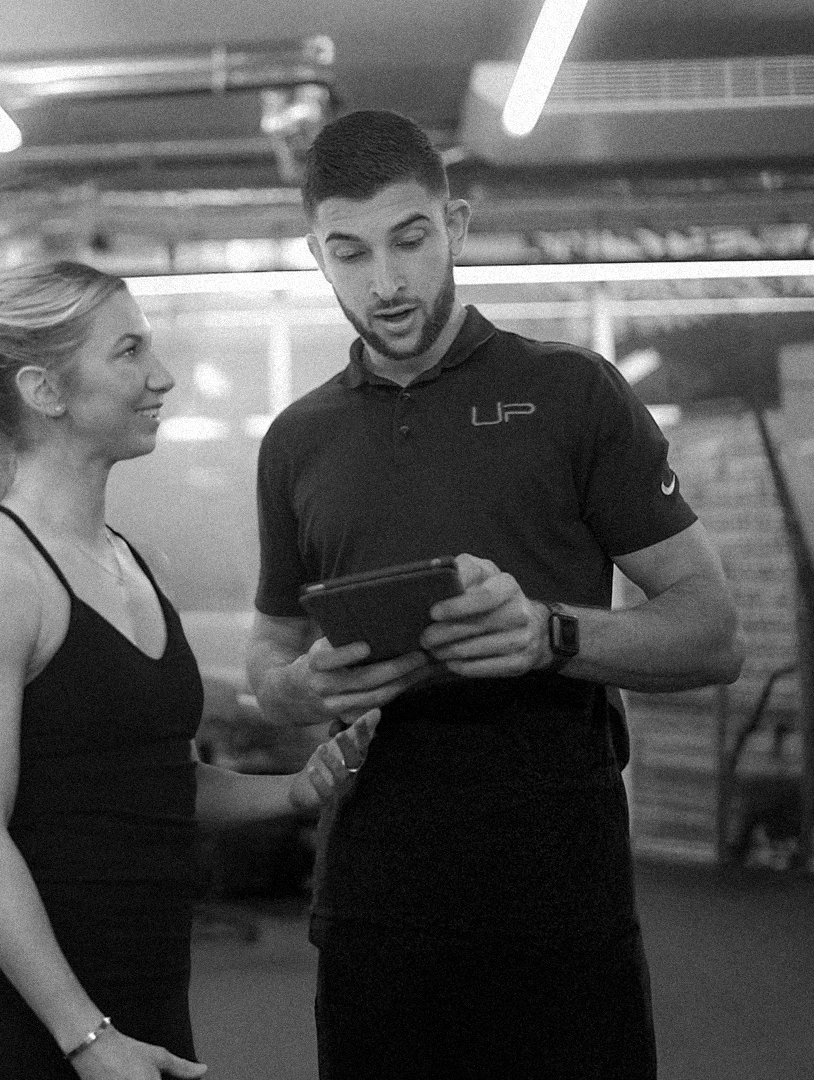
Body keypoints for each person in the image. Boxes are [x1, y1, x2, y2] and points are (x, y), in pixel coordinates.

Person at [246, 110, 744, 1080]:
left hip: (555, 893)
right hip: (372, 897)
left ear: (457, 226)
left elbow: (713, 630)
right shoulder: (298, 441)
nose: (384, 283)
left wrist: (547, 635)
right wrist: (298, 688)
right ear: (317, 254)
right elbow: (269, 660)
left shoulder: (572, 393)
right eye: (349, 253)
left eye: (410, 239)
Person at [0, 260, 380, 1080]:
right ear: (46, 390)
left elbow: (154, 784)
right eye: (127, 353)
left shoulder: (128, 561)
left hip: (148, 1001)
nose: (161, 377)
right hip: (41, 1031)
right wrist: (86, 1039)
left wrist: (298, 790)